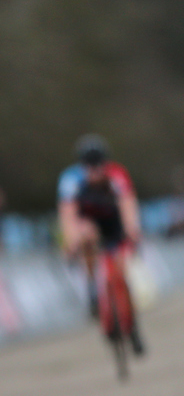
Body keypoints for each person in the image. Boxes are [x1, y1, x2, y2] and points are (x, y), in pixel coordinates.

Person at [57, 134, 144, 354]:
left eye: (98, 165)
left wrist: (133, 231)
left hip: (114, 225)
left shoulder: (117, 174)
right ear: (82, 164)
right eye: (89, 166)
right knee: (86, 233)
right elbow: (68, 215)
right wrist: (70, 243)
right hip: (90, 226)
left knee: (121, 275)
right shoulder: (71, 179)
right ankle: (91, 286)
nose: (95, 171)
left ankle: (132, 325)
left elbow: (128, 204)